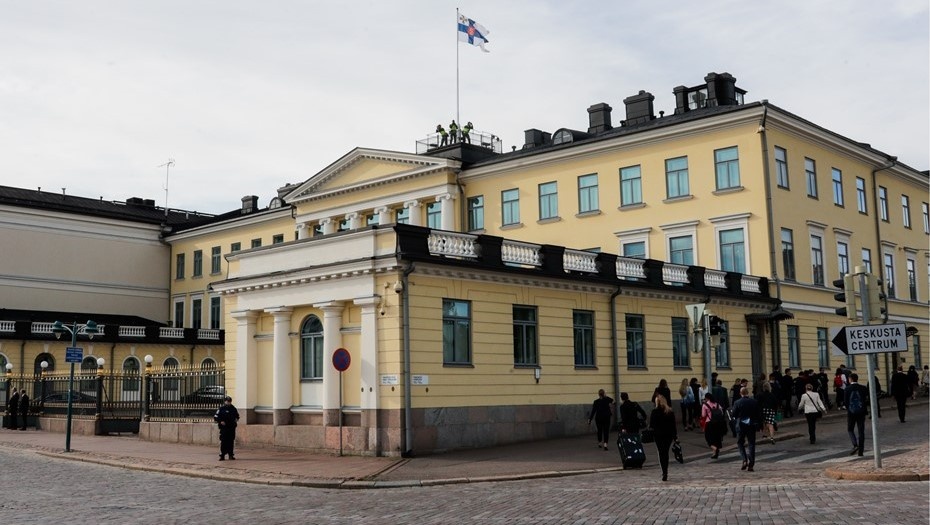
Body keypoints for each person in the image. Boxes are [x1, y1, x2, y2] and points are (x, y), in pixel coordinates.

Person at [649, 394, 679, 481]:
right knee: (665, 452)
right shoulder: (670, 412)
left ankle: (664, 471)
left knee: (661, 452)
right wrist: (675, 437)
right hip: (668, 435)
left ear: (656, 402)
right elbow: (673, 426)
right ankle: (666, 470)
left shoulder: (654, 412)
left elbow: (651, 425)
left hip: (658, 435)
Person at [731, 387, 759, 472]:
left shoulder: (737, 402)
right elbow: (758, 414)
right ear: (748, 393)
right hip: (751, 424)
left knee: (740, 443)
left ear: (741, 393)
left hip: (741, 425)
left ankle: (744, 459)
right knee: (751, 443)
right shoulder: (754, 402)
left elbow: (734, 414)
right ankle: (751, 464)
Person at [845, 373, 869, 457]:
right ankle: (861, 451)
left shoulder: (847, 389)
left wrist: (849, 409)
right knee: (861, 431)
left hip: (851, 412)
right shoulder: (863, 388)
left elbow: (846, 402)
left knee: (850, 429)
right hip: (861, 412)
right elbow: (866, 400)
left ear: (850, 379)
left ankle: (855, 445)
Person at [214, 395, 240, 460]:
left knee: (231, 441)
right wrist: (220, 421)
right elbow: (216, 417)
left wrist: (236, 419)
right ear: (225, 401)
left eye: (229, 401)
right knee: (223, 441)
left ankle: (230, 455)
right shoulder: (221, 409)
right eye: (227, 401)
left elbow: (237, 416)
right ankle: (222, 455)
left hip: (231, 427)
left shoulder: (233, 408)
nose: (228, 403)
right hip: (224, 428)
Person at [701, 393, 726, 458]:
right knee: (716, 438)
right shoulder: (717, 404)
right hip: (718, 423)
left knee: (708, 438)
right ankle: (714, 454)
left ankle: (715, 448)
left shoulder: (705, 405)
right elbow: (722, 412)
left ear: (707, 398)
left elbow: (703, 415)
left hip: (709, 423)